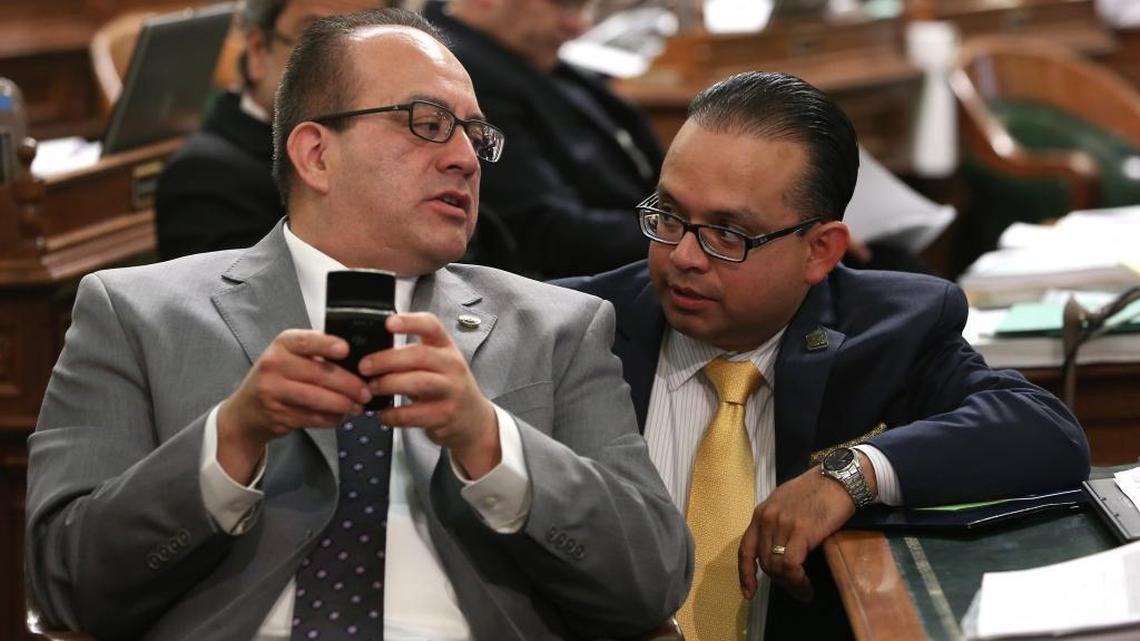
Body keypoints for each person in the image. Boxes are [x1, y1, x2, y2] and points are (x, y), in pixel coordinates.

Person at [26, 9, 691, 641]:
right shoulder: (136, 312)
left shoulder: (558, 328)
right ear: (315, 154)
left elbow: (653, 579)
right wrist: (230, 439)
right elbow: (63, 579)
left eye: (474, 134)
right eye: (428, 123)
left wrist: (492, 444)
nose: (465, 157)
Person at [562, 71, 1090, 641]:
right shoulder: (571, 324)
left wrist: (852, 475)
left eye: (727, 233)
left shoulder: (891, 330)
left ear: (820, 251)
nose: (685, 256)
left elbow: (1045, 430)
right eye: (669, 216)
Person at [422, 0, 664, 279]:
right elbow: (546, 230)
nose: (578, 26)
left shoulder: (525, 55)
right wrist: (678, 232)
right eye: (563, 5)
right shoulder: (461, 73)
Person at [154, 0, 382, 261]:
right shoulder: (204, 176)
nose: (347, 68)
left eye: (371, 39)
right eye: (316, 37)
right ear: (258, 50)